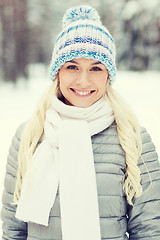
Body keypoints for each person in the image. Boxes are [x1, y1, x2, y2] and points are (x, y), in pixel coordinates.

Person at [1, 5, 160, 240]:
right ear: (58, 73)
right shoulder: (30, 135)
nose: (83, 81)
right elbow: (13, 229)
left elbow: (149, 230)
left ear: (108, 76)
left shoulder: (132, 137)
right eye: (72, 66)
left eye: (96, 68)